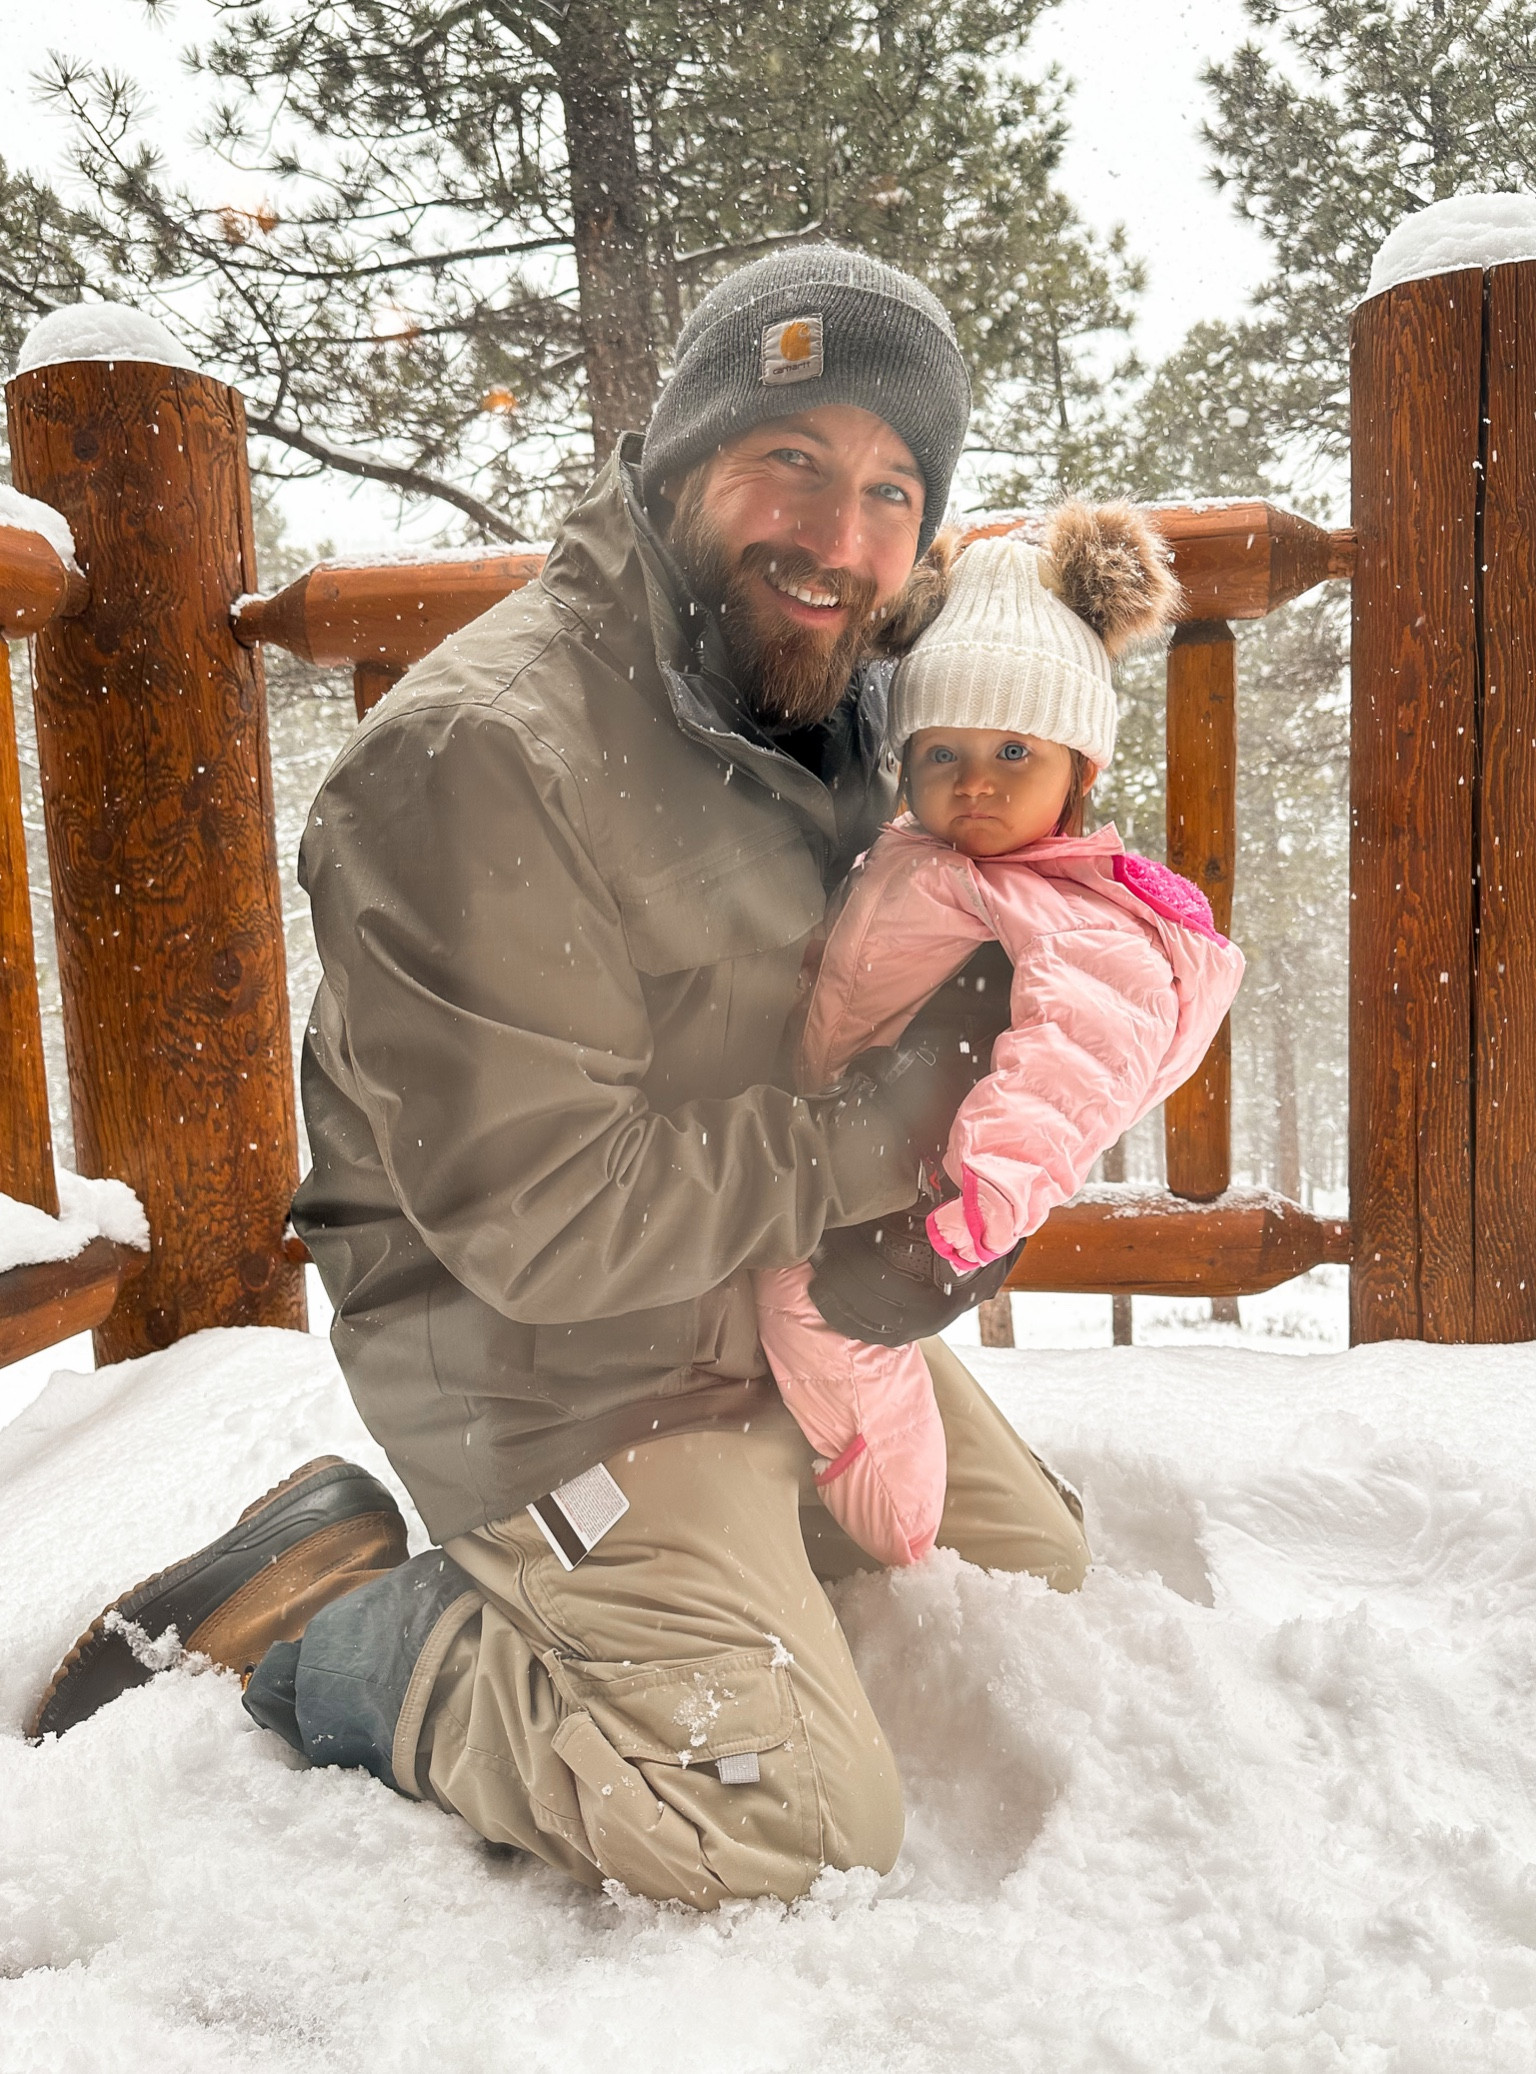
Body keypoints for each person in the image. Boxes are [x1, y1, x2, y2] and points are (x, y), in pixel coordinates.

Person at [30, 247, 1090, 1908]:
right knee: (783, 1819)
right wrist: (883, 1142)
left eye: (894, 490)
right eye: (792, 460)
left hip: (763, 1300)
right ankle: (343, 1628)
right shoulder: (483, 753)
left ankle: (711, 1560)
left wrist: (964, 1181)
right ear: (679, 463)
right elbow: (545, 1217)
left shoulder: (844, 710)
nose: (841, 535)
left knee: (1032, 1575)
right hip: (551, 1366)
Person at [756, 506, 1245, 1567]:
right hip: (835, 1136)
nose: (975, 779)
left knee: (818, 1317)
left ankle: (898, 1537)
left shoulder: (1076, 915)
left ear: (1081, 771)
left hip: (928, 1204)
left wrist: (972, 1215)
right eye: (943, 751)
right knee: (793, 1307)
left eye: (1014, 750)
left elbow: (1068, 1073)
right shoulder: (913, 857)